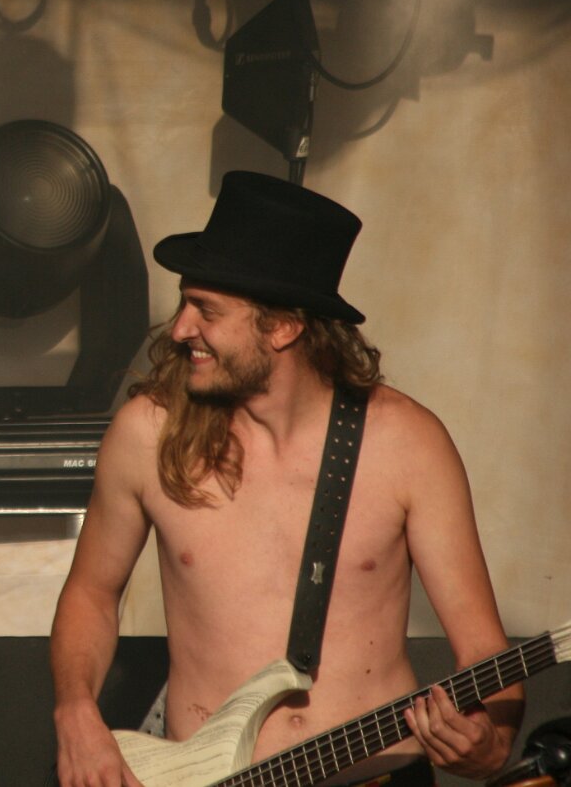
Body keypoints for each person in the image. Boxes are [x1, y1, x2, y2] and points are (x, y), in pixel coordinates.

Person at [50, 171, 521, 787]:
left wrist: (493, 742)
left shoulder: (407, 443)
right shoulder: (148, 433)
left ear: (282, 327)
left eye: (206, 310)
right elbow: (91, 592)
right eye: (185, 302)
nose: (181, 329)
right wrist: (75, 710)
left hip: (376, 776)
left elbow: (484, 646)